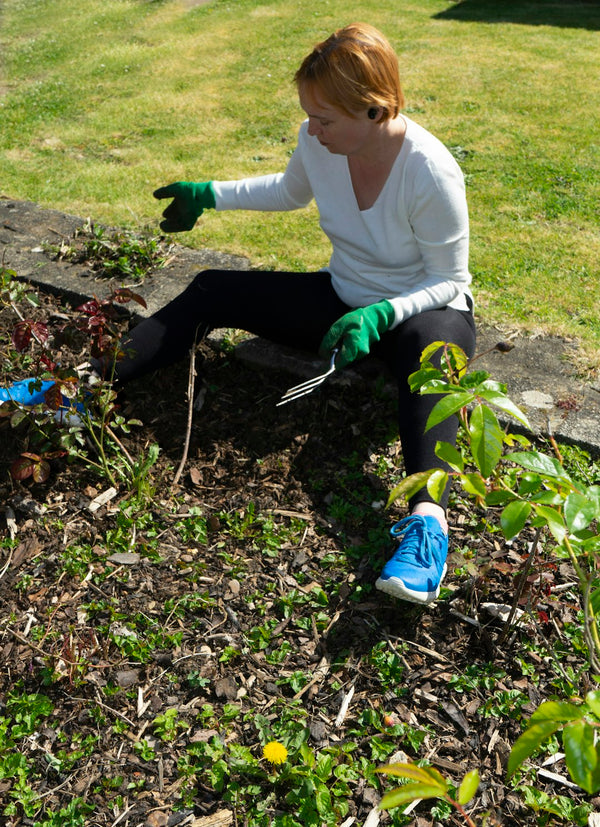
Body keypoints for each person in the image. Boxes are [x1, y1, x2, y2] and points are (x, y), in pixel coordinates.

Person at [104, 23, 477, 602]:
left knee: (433, 358)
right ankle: (83, 389)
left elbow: (451, 278)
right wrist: (210, 193)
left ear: (375, 110)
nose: (311, 128)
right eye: (309, 114)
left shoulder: (430, 170)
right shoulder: (319, 142)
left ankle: (428, 529)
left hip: (423, 312)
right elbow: (289, 190)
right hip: (342, 299)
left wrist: (384, 315)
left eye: (325, 118)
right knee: (211, 288)